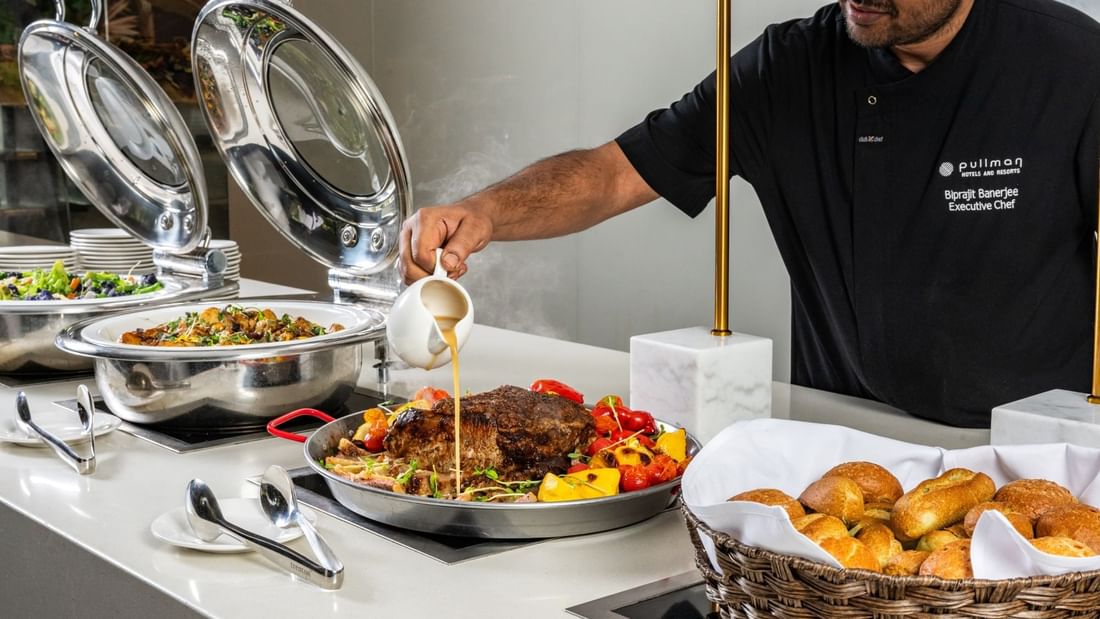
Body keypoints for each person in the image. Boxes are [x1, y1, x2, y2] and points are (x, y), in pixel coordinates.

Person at [398, 0, 1100, 428]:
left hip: (1030, 454)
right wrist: (484, 210)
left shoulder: (1073, 64)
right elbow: (612, 174)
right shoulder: (786, 69)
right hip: (838, 438)